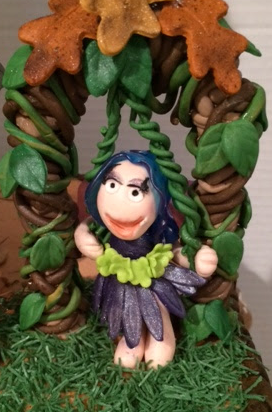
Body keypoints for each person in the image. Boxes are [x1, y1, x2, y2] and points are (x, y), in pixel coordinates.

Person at [74, 151, 217, 368]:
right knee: (125, 311)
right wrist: (82, 234)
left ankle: (162, 340)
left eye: (135, 192)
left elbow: (174, 251)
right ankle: (132, 341)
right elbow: (87, 227)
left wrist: (196, 259)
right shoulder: (101, 228)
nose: (119, 205)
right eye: (112, 185)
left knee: (156, 309)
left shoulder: (158, 230)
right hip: (120, 282)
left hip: (153, 281)